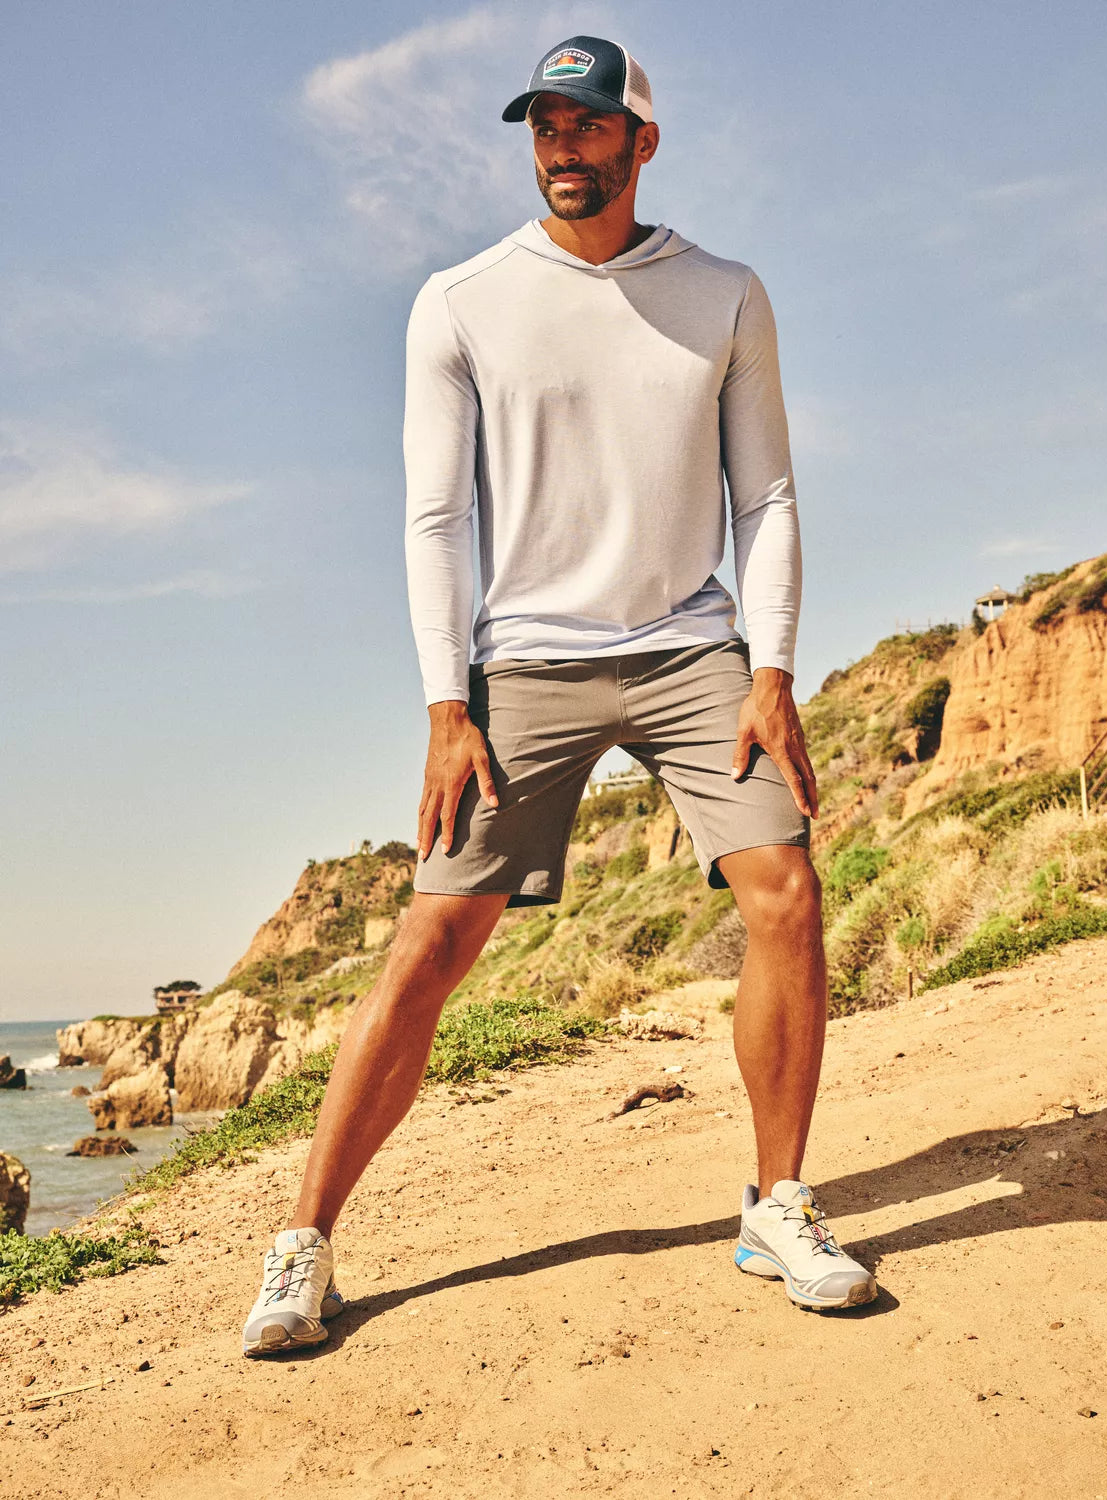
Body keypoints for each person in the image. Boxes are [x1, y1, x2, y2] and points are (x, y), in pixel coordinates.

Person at [241, 33, 876, 1358]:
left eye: (589, 128)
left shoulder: (724, 293)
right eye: (543, 125)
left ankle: (777, 1205)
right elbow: (432, 516)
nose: (562, 149)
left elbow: (762, 494)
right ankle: (302, 1245)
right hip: (521, 659)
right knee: (432, 942)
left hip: (693, 649)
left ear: (641, 142)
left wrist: (769, 669)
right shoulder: (461, 299)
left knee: (785, 890)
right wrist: (443, 705)